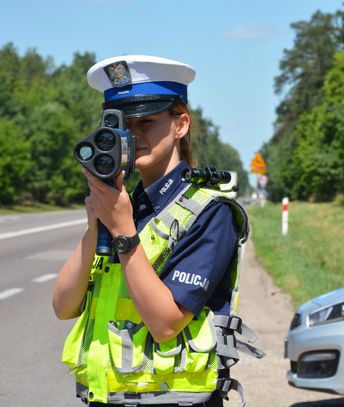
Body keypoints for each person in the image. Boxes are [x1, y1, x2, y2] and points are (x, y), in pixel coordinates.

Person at [53, 55, 261, 407]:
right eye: (122, 127)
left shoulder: (210, 212)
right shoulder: (127, 206)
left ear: (180, 125)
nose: (131, 137)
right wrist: (96, 226)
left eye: (145, 123)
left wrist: (123, 233)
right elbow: (63, 305)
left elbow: (165, 323)